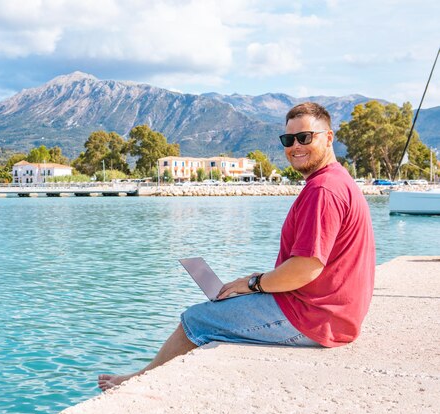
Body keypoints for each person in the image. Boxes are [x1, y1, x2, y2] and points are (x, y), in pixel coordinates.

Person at [98, 102, 376, 391]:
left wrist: (255, 284)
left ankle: (138, 382)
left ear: (328, 138)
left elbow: (306, 268)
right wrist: (255, 284)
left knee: (196, 320)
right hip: (330, 314)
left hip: (315, 320)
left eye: (305, 137)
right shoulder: (336, 181)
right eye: (288, 139)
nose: (295, 146)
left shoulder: (323, 190)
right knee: (226, 302)